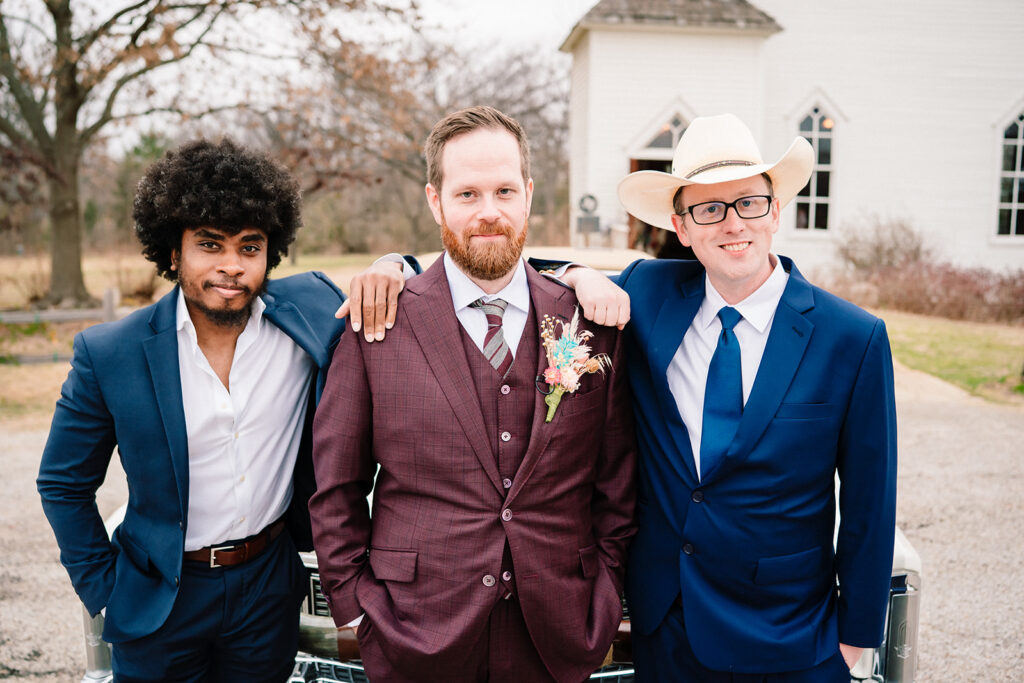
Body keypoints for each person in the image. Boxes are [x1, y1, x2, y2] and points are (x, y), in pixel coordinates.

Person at [35, 139, 405, 681]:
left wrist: (391, 263)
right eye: (210, 245)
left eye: (249, 247)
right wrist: (103, 589)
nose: (231, 266)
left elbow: (432, 278)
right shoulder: (110, 354)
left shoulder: (313, 313)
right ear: (173, 252)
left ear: (270, 253)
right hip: (160, 597)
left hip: (267, 587)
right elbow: (62, 483)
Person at [560, 113, 896, 681]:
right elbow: (525, 280)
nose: (732, 224)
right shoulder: (648, 290)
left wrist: (857, 636)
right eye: (709, 209)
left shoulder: (852, 338)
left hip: (792, 634)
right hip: (669, 626)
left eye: (748, 203)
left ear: (775, 212)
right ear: (682, 227)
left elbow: (871, 499)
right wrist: (579, 273)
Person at [308, 105, 637, 683]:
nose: (489, 213)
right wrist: (355, 610)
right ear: (435, 201)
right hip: (413, 631)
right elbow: (336, 485)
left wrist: (605, 590)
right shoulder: (378, 321)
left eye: (504, 191)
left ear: (528, 195)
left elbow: (617, 481)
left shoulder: (588, 321)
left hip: (558, 632)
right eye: (467, 195)